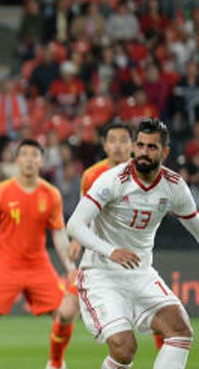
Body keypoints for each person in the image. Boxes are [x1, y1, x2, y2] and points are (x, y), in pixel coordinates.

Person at [67, 118, 198, 369]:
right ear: (133, 148)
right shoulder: (112, 180)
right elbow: (75, 225)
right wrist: (111, 251)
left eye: (152, 147)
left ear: (165, 152)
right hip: (101, 274)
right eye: (140, 145)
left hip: (141, 274)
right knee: (124, 348)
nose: (144, 152)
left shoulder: (174, 187)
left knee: (180, 331)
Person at [0, 139, 76, 369]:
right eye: (24, 154)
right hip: (6, 264)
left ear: (41, 160)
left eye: (34, 155)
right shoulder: (0, 191)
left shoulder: (51, 194)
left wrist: (70, 266)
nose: (29, 159)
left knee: (64, 315)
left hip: (38, 264)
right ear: (17, 160)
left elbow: (58, 234)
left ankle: (56, 363)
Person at [51, 120, 134, 369]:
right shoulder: (91, 175)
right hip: (96, 258)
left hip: (132, 259)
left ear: (133, 144)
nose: (118, 146)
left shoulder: (144, 173)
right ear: (105, 145)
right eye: (113, 140)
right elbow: (84, 214)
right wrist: (78, 238)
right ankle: (55, 363)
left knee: (161, 321)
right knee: (65, 313)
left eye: (123, 140)